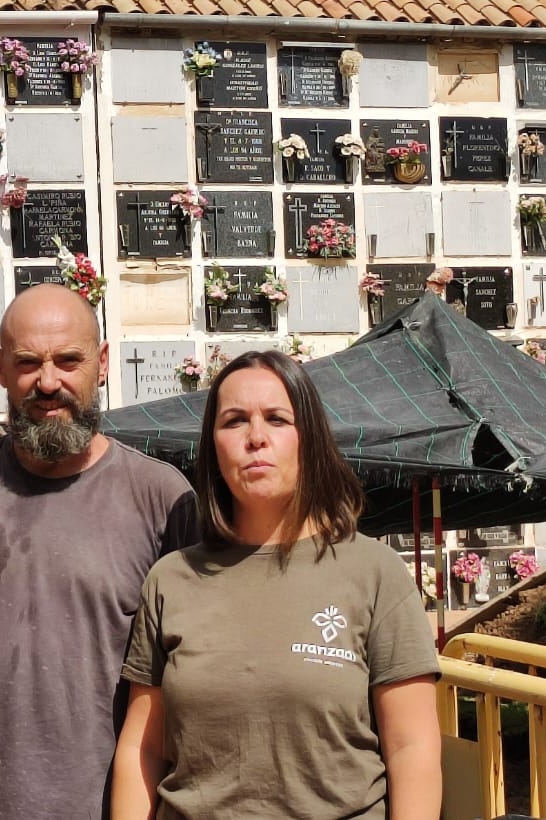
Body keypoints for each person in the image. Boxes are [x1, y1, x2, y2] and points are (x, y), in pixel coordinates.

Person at [0, 283, 198, 820]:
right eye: (28, 363)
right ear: (0, 367)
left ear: (101, 363)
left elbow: (188, 675)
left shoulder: (162, 500)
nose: (49, 383)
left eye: (68, 361)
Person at [111, 350, 441, 820]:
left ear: (309, 438)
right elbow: (142, 752)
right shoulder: (171, 580)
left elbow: (413, 749)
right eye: (234, 421)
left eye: (277, 419)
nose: (256, 438)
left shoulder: (375, 573)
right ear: (213, 446)